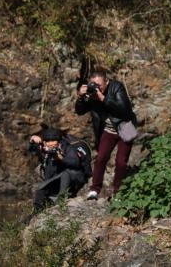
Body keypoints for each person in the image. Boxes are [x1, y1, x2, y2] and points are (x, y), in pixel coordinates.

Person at [75, 69, 137, 199]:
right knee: (101, 158)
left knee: (121, 162)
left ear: (107, 82)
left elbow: (124, 109)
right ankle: (94, 189)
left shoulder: (117, 87)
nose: (97, 88)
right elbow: (79, 111)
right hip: (108, 130)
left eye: (99, 85)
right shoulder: (91, 94)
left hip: (125, 126)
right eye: (94, 85)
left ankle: (117, 192)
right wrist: (80, 96)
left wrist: (103, 98)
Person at [28, 127, 91, 211]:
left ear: (59, 141)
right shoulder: (46, 149)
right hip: (59, 177)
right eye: (47, 141)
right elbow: (30, 149)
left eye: (53, 141)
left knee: (66, 173)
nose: (50, 144)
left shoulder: (67, 147)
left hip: (75, 177)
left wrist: (60, 158)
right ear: (44, 142)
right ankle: (37, 211)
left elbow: (75, 163)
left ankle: (60, 200)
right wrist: (33, 139)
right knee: (40, 189)